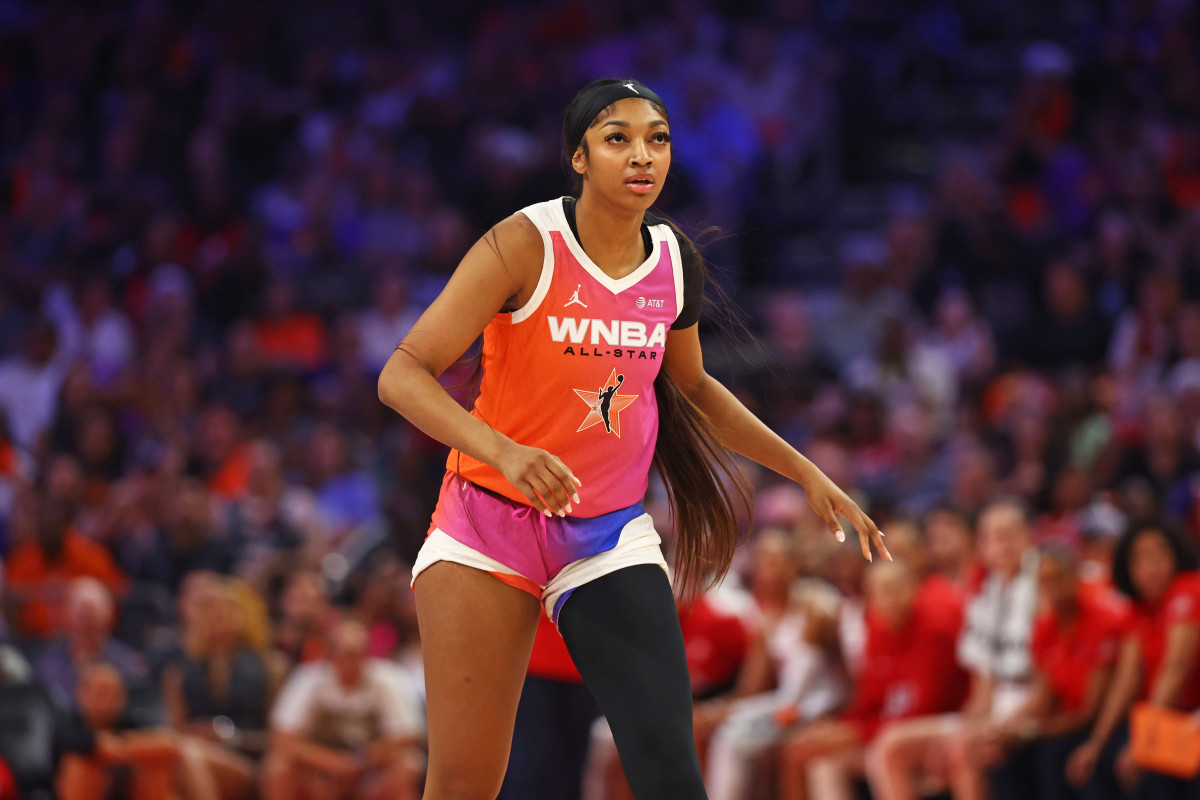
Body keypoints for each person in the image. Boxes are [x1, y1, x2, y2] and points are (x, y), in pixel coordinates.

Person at [376, 77, 888, 800]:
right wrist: (506, 452)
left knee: (670, 769)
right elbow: (402, 374)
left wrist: (804, 472)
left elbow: (695, 387)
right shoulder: (523, 244)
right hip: (484, 522)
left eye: (657, 139)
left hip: (606, 535)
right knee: (464, 782)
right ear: (578, 158)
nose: (642, 155)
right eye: (618, 138)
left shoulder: (673, 261)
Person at [1065, 521, 1200, 800]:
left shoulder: (1189, 588)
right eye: (1140, 557)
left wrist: (1144, 741)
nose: (1151, 566)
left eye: (1158, 553)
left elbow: (1176, 667)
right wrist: (1096, 743)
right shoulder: (1136, 611)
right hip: (1164, 717)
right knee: (1097, 761)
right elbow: (1126, 681)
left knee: (1153, 768)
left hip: (1187, 715)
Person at [262, 618, 424, 800]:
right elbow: (281, 737)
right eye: (346, 653)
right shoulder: (308, 678)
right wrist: (331, 762)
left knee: (409, 764)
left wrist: (361, 761)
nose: (352, 660)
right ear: (331, 653)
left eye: (358, 653)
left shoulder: (389, 678)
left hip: (371, 777)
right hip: (319, 778)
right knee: (278, 765)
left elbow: (408, 738)